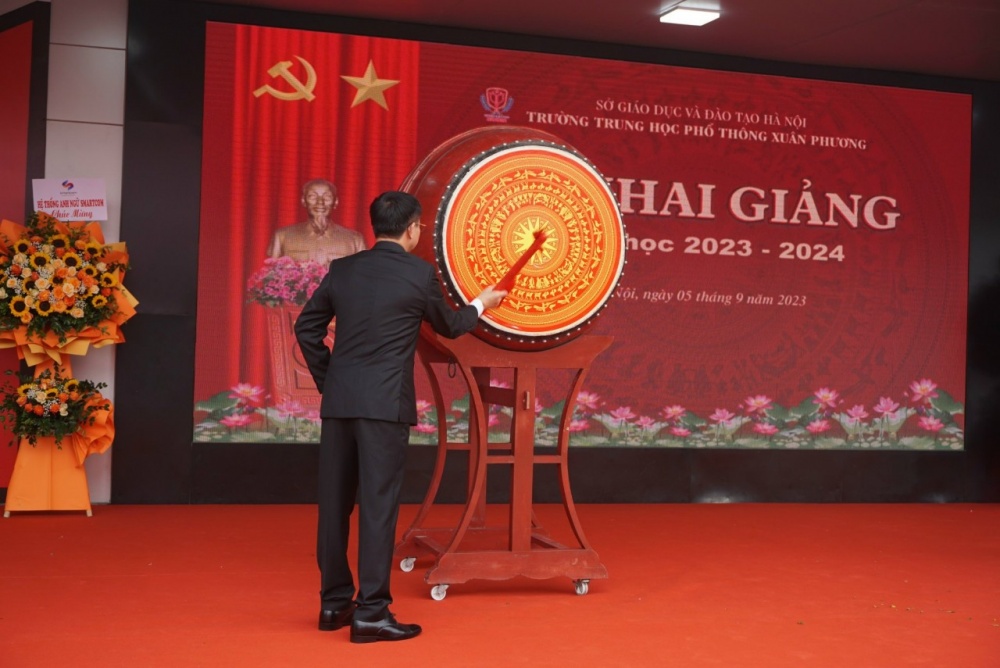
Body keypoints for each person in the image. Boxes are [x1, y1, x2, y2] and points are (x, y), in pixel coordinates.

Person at [294, 191, 507, 644]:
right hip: (384, 406)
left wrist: (330, 380)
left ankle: (333, 604)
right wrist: (482, 304)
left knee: (334, 505)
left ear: (376, 226)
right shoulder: (418, 274)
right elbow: (450, 326)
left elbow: (306, 327)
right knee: (378, 508)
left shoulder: (343, 269)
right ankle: (372, 612)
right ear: (412, 229)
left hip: (341, 403)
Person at [268, 178, 366, 265]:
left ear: (335, 202)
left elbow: (364, 275)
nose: (320, 202)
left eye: (327, 197)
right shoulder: (283, 236)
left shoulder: (355, 240)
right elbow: (271, 274)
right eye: (312, 197)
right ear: (303, 201)